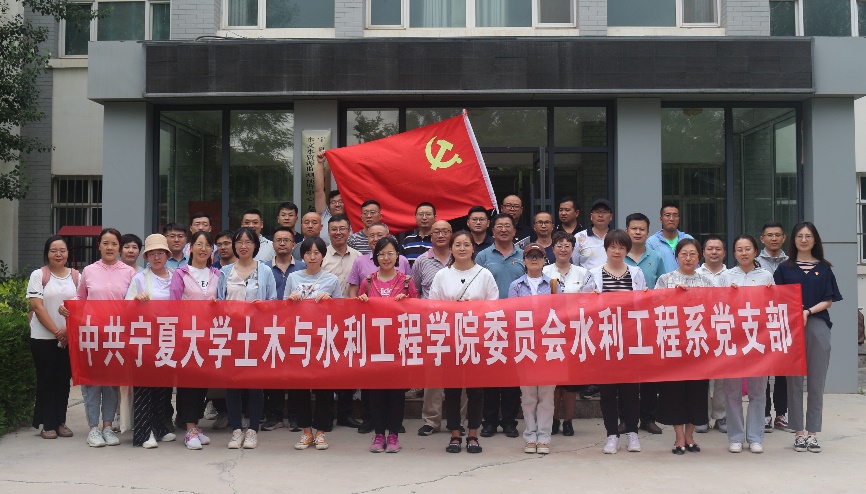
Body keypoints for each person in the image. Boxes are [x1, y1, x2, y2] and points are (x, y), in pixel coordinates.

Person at [63, 228, 136, 447]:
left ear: (119, 247)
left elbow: (133, 302)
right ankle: (93, 428)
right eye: (106, 243)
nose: (110, 247)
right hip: (93, 334)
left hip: (117, 335)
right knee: (92, 382)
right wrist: (68, 307)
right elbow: (80, 298)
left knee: (111, 383)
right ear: (99, 246)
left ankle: (108, 426)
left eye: (114, 244)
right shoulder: (89, 270)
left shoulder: (129, 272)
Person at [773, 222, 842, 453]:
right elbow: (776, 297)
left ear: (815, 240)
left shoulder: (824, 268)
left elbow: (828, 300)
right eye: (800, 236)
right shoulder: (784, 268)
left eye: (808, 236)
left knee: (816, 380)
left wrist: (807, 311)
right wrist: (795, 313)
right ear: (793, 240)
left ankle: (812, 433)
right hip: (791, 327)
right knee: (793, 380)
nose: (804, 240)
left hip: (817, 323)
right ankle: (798, 432)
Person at [428, 231, 499, 453]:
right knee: (452, 390)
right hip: (450, 339)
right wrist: (452, 308)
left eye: (466, 244)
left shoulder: (484, 274)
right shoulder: (442, 275)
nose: (462, 248)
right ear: (451, 249)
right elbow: (432, 306)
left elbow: (494, 306)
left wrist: (474, 308)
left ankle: (473, 434)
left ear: (473, 248)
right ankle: (455, 434)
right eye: (457, 245)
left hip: (476, 340)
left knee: (476, 390)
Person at [582, 229, 646, 454]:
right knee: (608, 391)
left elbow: (642, 304)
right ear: (606, 249)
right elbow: (583, 305)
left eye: (621, 247)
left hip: (629, 339)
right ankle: (611, 435)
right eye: (613, 247)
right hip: (605, 339)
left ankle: (632, 433)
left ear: (627, 250)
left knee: (631, 390)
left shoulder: (636, 273)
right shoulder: (594, 274)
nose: (617, 251)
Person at [216, 227, 278, 450]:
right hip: (231, 335)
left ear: (255, 245)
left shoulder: (265, 271)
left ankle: (252, 430)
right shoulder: (225, 272)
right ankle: (236, 429)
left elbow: (273, 302)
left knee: (255, 385)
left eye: (248, 242)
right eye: (239, 242)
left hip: (256, 335)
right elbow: (219, 301)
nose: (243, 246)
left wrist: (264, 307)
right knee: (232, 384)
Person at [358, 237, 419, 453]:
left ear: (397, 256)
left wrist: (407, 303)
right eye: (382, 254)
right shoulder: (367, 281)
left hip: (398, 345)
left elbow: (416, 311)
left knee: (396, 392)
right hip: (374, 345)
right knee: (375, 392)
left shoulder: (406, 281)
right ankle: (378, 434)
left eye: (390, 253)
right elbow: (358, 313)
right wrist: (362, 303)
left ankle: (393, 435)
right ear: (376, 257)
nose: (386, 258)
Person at [654, 238, 714, 455]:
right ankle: (679, 436)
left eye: (693, 254)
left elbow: (715, 309)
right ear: (676, 256)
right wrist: (673, 296)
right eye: (684, 254)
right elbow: (655, 307)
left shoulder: (707, 281)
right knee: (674, 392)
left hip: (698, 345)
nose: (688, 258)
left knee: (697, 391)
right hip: (674, 345)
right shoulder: (665, 279)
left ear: (699, 257)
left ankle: (690, 435)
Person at [286, 237, 343, 451]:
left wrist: (330, 302)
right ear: (302, 256)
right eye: (308, 252)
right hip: (299, 339)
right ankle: (306, 431)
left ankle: (321, 432)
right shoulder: (293, 277)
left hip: (323, 339)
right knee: (300, 387)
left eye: (316, 252)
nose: (312, 256)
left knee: (324, 388)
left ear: (323, 256)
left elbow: (341, 311)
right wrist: (291, 300)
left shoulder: (331, 279)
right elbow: (282, 309)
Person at [719, 234, 775, 454]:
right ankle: (735, 437)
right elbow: (716, 307)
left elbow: (774, 305)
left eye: (748, 249)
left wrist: (770, 294)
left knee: (758, 391)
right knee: (731, 391)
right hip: (732, 339)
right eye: (739, 249)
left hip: (758, 339)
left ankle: (755, 437)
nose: (744, 253)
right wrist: (728, 295)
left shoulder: (766, 275)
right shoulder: (726, 276)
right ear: (734, 253)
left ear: (755, 251)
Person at [169, 231, 220, 450]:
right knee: (188, 383)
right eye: (199, 244)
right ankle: (189, 428)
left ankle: (196, 426)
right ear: (190, 248)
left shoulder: (217, 274)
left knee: (202, 383)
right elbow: (173, 306)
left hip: (209, 336)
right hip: (187, 336)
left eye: (207, 245)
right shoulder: (181, 273)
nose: (203, 249)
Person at [475, 213, 524, 438]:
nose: (503, 229)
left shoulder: (524, 255)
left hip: (516, 323)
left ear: (514, 231)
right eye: (499, 226)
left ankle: (510, 421)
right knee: (491, 374)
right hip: (490, 323)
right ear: (492, 231)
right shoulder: (483, 256)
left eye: (507, 226)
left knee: (513, 375)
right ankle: (489, 421)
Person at [126, 234, 177, 449]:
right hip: (145, 338)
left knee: (163, 386)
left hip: (168, 337)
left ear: (167, 255)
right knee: (144, 385)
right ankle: (144, 433)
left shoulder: (176, 276)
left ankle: (160, 428)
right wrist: (137, 300)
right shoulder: (139, 278)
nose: (157, 257)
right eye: (152, 254)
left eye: (160, 253)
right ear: (146, 257)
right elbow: (126, 306)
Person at [27, 236, 79, 440]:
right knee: (46, 380)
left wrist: (67, 331)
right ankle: (47, 424)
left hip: (69, 337)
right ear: (47, 253)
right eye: (53, 250)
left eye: (62, 250)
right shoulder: (39, 275)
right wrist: (58, 332)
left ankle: (60, 422)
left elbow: (81, 305)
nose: (58, 254)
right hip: (42, 338)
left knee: (64, 380)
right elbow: (37, 307)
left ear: (68, 253)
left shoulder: (76, 276)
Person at [543, 231, 593, 437]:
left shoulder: (583, 273)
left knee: (571, 383)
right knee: (554, 381)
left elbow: (590, 302)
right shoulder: (545, 271)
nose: (563, 249)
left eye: (567, 246)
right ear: (552, 248)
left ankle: (568, 421)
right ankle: (554, 420)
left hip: (574, 333)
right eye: (559, 245)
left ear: (573, 250)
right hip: (551, 332)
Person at [511, 243, 560, 455]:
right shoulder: (516, 286)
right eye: (530, 256)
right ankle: (530, 436)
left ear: (544, 260)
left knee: (547, 396)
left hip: (548, 344)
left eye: (537, 256)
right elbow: (511, 315)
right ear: (524, 260)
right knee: (528, 395)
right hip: (525, 344)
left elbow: (561, 313)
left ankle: (544, 437)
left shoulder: (554, 285)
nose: (533, 259)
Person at [413, 220, 459, 436]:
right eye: (436, 232)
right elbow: (415, 292)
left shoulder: (461, 257)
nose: (441, 235)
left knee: (460, 373)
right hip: (433, 325)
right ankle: (431, 420)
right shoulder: (421, 261)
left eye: (445, 231)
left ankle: (459, 419)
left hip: (460, 326)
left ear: (451, 234)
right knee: (433, 374)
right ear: (430, 236)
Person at [623, 213, 666, 434]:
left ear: (648, 233)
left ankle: (648, 418)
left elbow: (662, 288)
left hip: (650, 322)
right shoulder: (619, 256)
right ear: (627, 231)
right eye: (634, 228)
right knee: (626, 373)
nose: (638, 232)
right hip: (625, 322)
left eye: (642, 229)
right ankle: (626, 419)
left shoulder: (656, 257)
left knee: (650, 372)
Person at [320, 215, 364, 429]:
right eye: (334, 229)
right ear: (328, 231)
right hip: (325, 319)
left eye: (342, 228)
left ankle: (345, 414)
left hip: (351, 319)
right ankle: (327, 414)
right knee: (327, 366)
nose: (338, 232)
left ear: (349, 231)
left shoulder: (358, 256)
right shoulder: (321, 256)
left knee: (348, 366)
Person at [261, 227, 305, 433]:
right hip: (271, 326)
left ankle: (296, 415)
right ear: (273, 244)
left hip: (298, 326)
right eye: (278, 240)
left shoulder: (303, 267)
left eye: (286, 240)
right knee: (273, 371)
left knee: (296, 371)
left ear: (293, 244)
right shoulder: (263, 268)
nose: (282, 243)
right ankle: (275, 415)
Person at [758, 222, 792, 433]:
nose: (773, 238)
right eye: (769, 235)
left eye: (777, 235)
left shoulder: (792, 263)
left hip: (785, 320)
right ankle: (764, 414)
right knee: (763, 369)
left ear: (784, 238)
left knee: (782, 370)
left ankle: (781, 414)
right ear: (762, 238)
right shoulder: (754, 262)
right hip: (761, 322)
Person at [695, 235, 728, 433]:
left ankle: (721, 416)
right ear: (703, 253)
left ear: (724, 253)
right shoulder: (695, 275)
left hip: (724, 330)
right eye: (710, 249)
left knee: (723, 376)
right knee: (701, 376)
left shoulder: (731, 275)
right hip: (700, 330)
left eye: (718, 249)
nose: (714, 252)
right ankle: (702, 416)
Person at [347, 222, 412, 298]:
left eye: (379, 235)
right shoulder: (359, 261)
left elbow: (410, 291)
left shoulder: (402, 260)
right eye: (372, 236)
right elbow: (353, 293)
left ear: (388, 237)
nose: (375, 239)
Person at [646, 203, 694, 272]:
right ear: (661, 219)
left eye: (675, 215)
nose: (671, 219)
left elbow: (695, 264)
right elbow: (650, 267)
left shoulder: (688, 239)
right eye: (667, 215)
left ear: (679, 219)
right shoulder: (652, 242)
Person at [315, 150, 346, 245]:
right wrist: (320, 163)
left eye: (340, 201)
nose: (337, 205)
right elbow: (319, 191)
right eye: (333, 202)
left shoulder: (353, 219)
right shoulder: (324, 216)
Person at [573, 198, 612, 270]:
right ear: (591, 216)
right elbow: (574, 265)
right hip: (586, 277)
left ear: (611, 217)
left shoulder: (617, 237)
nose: (600, 215)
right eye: (597, 212)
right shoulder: (579, 237)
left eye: (605, 212)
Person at [400, 202, 436, 266]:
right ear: (415, 217)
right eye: (421, 214)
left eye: (428, 214)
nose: (424, 218)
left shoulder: (438, 240)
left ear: (434, 217)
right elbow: (402, 264)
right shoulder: (408, 240)